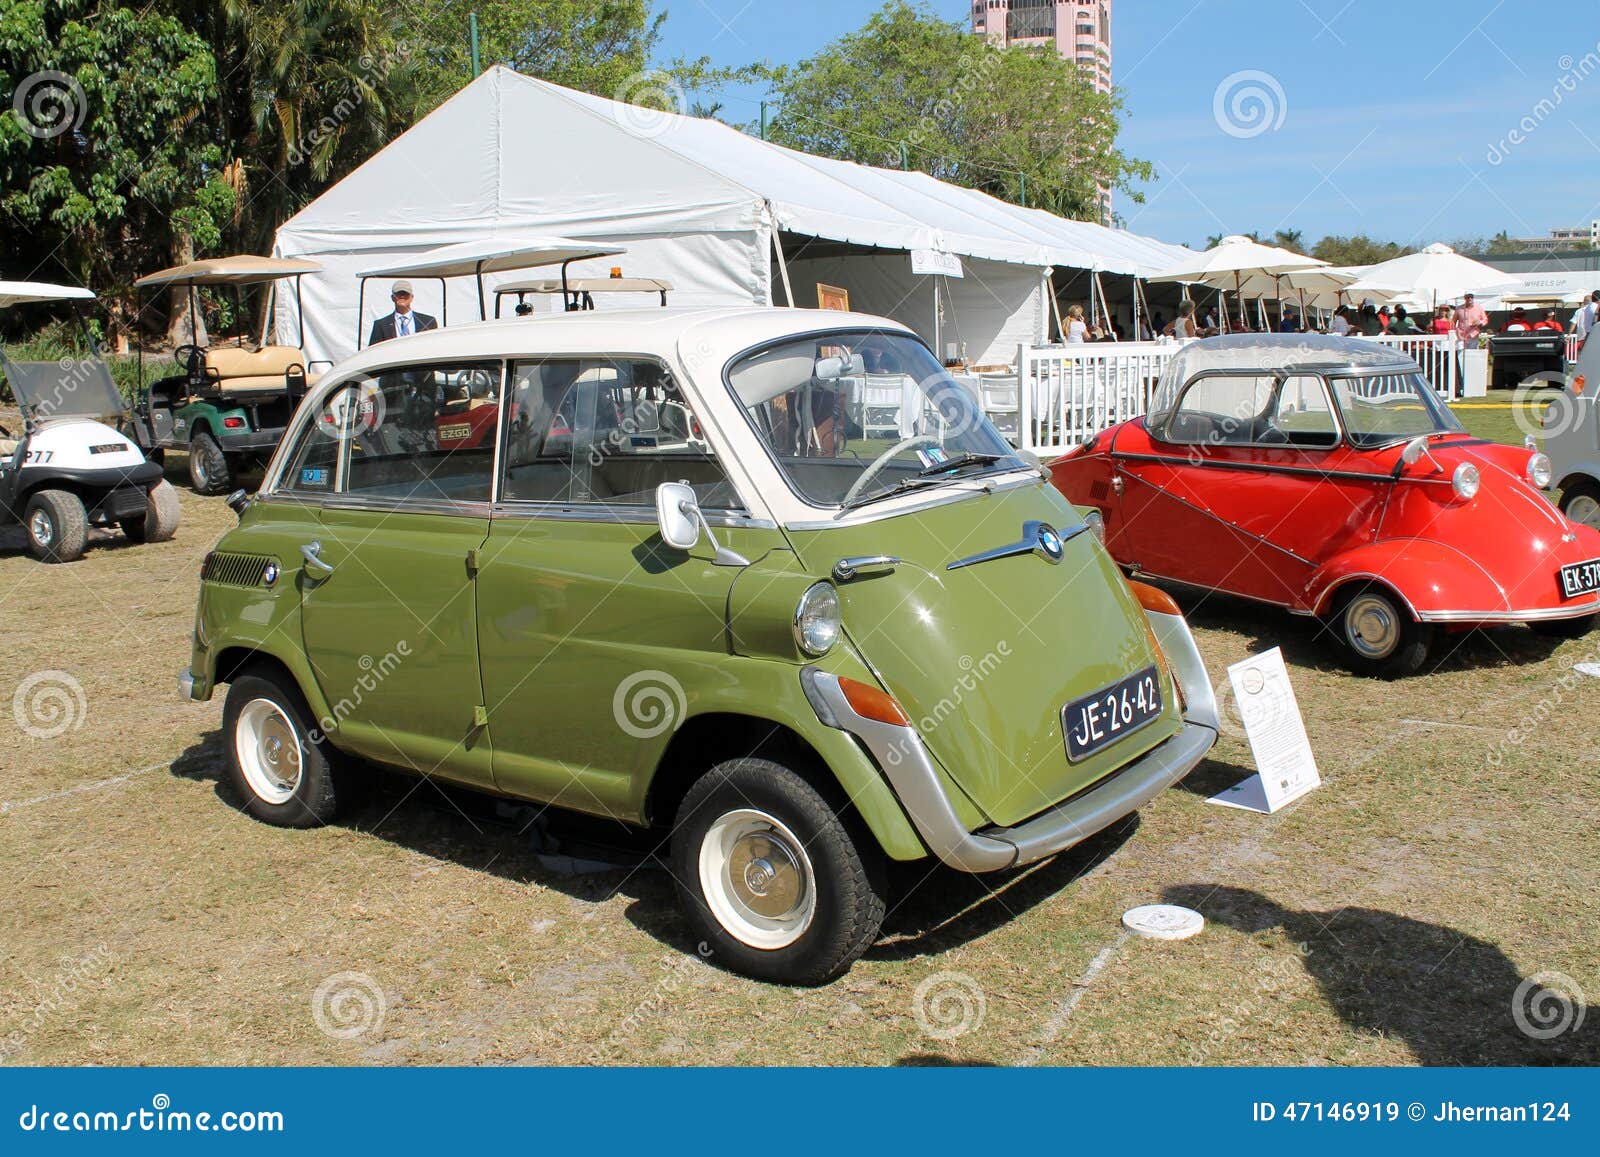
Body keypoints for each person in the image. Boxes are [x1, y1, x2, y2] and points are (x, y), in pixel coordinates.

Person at [368, 280, 438, 345]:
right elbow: (373, 352)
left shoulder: (428, 322)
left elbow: (434, 347)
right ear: (392, 297)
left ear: (412, 297)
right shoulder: (381, 325)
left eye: (405, 293)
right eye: (398, 294)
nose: (402, 296)